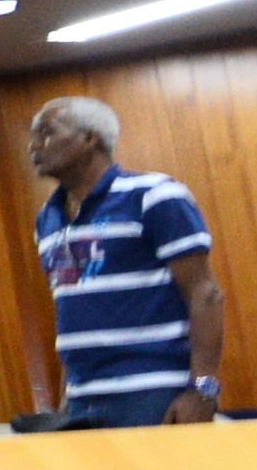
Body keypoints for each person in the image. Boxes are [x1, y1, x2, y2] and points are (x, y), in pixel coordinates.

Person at [25, 95, 226, 426]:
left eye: (46, 132)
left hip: (153, 391)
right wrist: (66, 398)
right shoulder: (47, 218)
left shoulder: (154, 195)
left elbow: (205, 293)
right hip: (82, 396)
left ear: (89, 138)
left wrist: (202, 389)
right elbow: (74, 311)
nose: (33, 146)